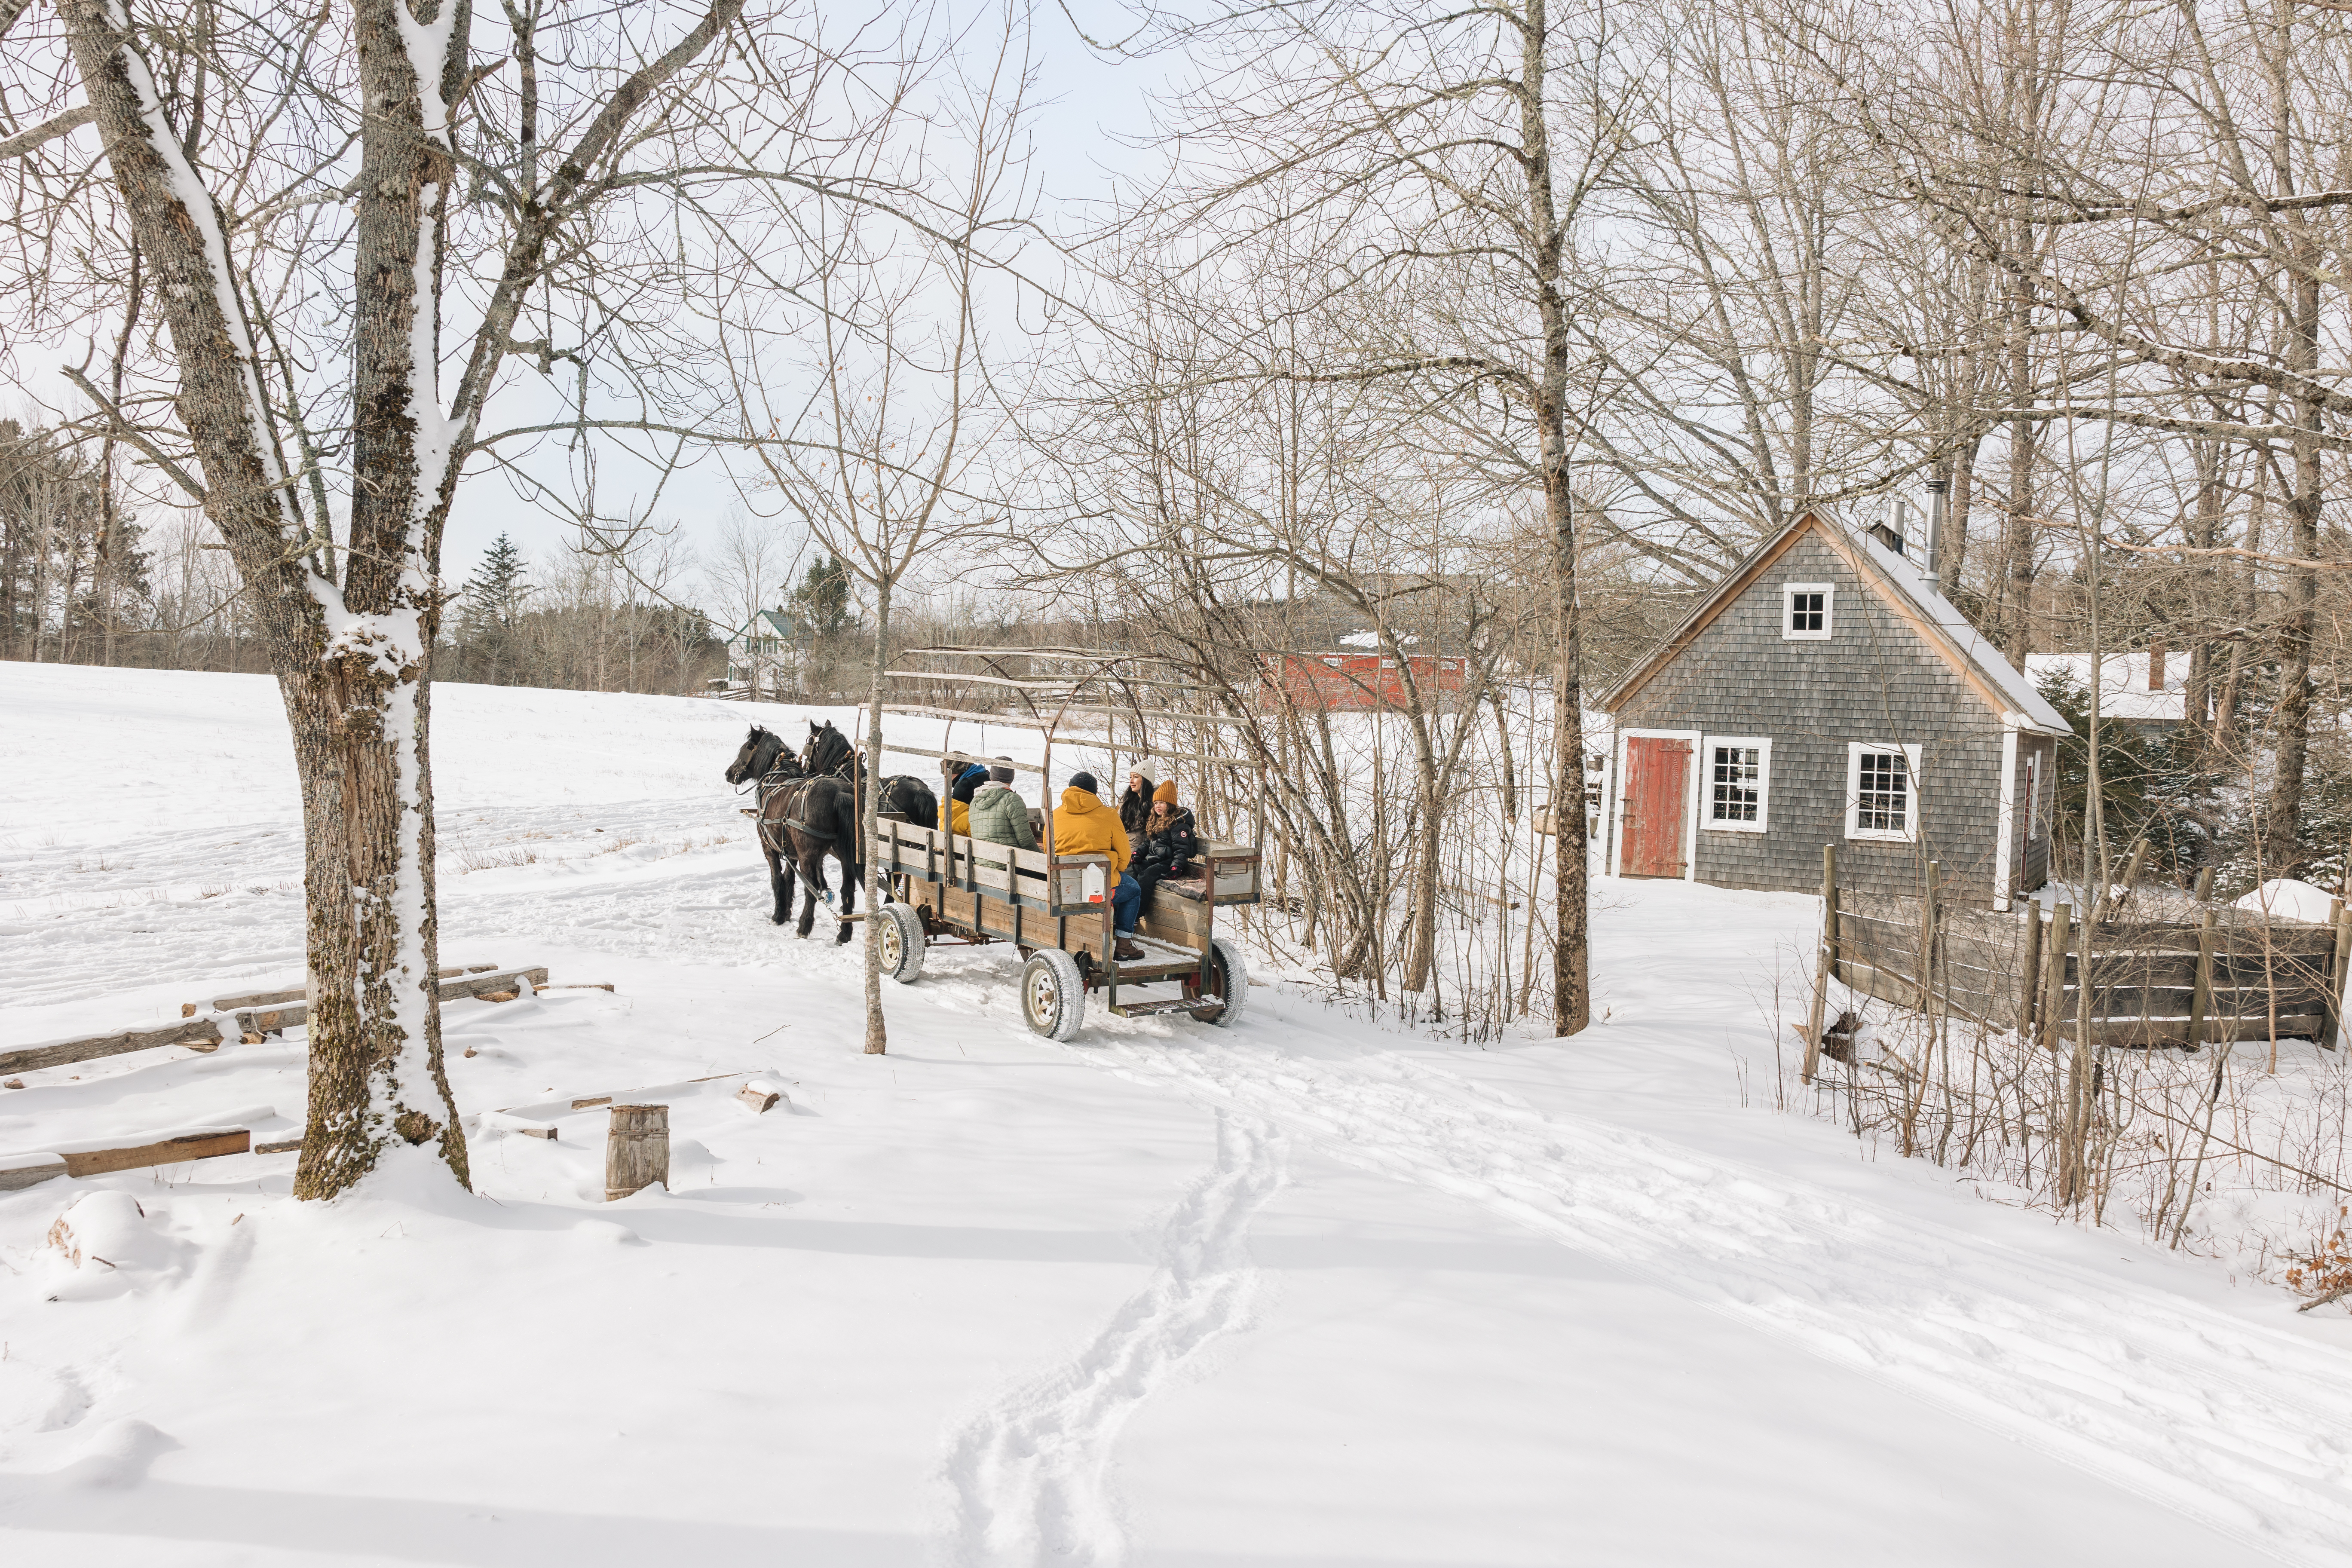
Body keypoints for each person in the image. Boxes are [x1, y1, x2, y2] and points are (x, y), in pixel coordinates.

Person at [1054, 771, 1143, 961]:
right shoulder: (1109, 815)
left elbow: (1048, 849)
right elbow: (1125, 854)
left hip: (1063, 884)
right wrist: (1117, 869)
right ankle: (1124, 945)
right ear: (1094, 793)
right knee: (1134, 890)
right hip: (1099, 884)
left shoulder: (1055, 815)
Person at [1128, 779, 1201, 906]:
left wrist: (1176, 868)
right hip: (1154, 860)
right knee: (1131, 869)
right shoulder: (1157, 820)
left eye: (1162, 803)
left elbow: (1181, 849)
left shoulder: (1179, 824)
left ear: (1171, 805)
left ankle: (1138, 912)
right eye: (1156, 803)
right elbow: (1148, 843)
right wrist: (1138, 853)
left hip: (1168, 863)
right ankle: (1121, 910)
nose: (1158, 806)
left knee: (1145, 876)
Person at [966, 760, 1034, 857]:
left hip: (982, 859)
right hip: (1008, 861)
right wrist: (1042, 856)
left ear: (991, 776)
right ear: (1012, 777)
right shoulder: (1012, 799)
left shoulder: (976, 800)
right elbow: (1026, 840)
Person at [946, 760, 988, 835]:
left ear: (956, 773)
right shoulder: (986, 775)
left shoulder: (965, 786)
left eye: (949, 775)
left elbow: (954, 812)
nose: (948, 779)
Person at [1118, 770, 1156, 839]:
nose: (1131, 781)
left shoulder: (1160, 801)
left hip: (1153, 846)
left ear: (1146, 780)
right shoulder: (1125, 803)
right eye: (1130, 777)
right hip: (1128, 847)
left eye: (1135, 777)